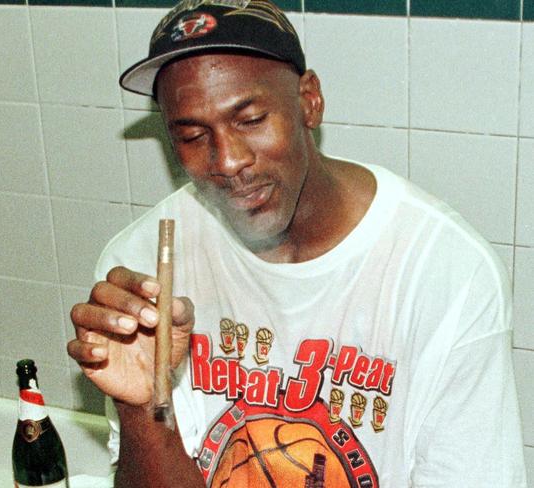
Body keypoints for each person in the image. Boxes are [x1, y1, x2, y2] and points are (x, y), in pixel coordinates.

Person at [68, 0, 528, 486]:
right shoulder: (145, 266)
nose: (227, 160)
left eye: (249, 119)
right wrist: (142, 410)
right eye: (193, 134)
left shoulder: (443, 269)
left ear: (309, 101)